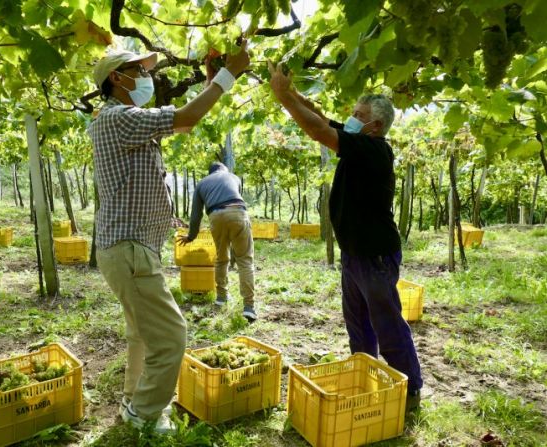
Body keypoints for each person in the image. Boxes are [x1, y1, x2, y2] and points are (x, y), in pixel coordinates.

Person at [88, 43, 250, 434]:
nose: (147, 78)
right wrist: (230, 75)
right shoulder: (117, 118)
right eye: (139, 72)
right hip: (128, 248)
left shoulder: (121, 121)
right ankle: (144, 414)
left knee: (142, 334)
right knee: (173, 335)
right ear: (117, 78)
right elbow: (188, 116)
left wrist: (210, 82)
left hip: (130, 247)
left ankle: (134, 401)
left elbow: (182, 124)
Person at [267, 62, 423, 410]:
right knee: (358, 323)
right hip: (355, 254)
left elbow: (318, 130)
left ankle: (410, 389)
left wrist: (281, 97)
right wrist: (292, 91)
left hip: (374, 253)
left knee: (385, 322)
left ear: (376, 125)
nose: (351, 118)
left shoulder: (373, 151)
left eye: (358, 114)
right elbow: (322, 117)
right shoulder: (358, 142)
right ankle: (366, 375)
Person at [177, 162, 257, 322]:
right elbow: (235, 200)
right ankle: (249, 307)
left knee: (221, 259)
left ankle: (221, 298)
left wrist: (191, 236)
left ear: (210, 172)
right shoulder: (234, 177)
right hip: (238, 213)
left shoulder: (202, 184)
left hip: (216, 216)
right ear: (224, 170)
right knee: (245, 261)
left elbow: (196, 215)